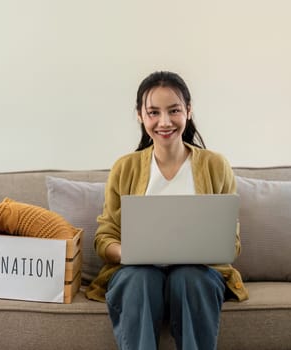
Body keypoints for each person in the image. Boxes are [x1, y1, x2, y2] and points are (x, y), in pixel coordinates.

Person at [85, 71, 248, 350]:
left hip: (197, 273)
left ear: (188, 110)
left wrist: (194, 253)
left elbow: (230, 243)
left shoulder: (215, 165)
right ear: (140, 115)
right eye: (153, 112)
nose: (164, 122)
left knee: (189, 277)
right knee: (140, 278)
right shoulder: (125, 167)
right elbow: (104, 238)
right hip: (137, 272)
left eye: (174, 110)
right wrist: (130, 252)